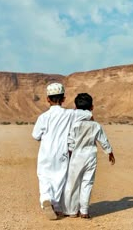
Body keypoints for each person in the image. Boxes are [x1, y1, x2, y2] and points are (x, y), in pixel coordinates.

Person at [32, 83, 92, 220]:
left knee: (44, 177)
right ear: (63, 99)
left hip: (46, 153)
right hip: (62, 153)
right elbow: (87, 114)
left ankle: (46, 198)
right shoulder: (70, 114)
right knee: (59, 179)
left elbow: (35, 136)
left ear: (48, 99)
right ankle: (56, 207)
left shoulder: (43, 117)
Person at [61, 93, 115, 218]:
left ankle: (72, 211)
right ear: (92, 107)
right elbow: (103, 140)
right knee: (87, 182)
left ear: (75, 107)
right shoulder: (96, 125)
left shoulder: (74, 125)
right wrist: (110, 152)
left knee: (72, 183)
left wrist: (68, 155)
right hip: (90, 156)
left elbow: (70, 142)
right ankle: (84, 211)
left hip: (76, 156)